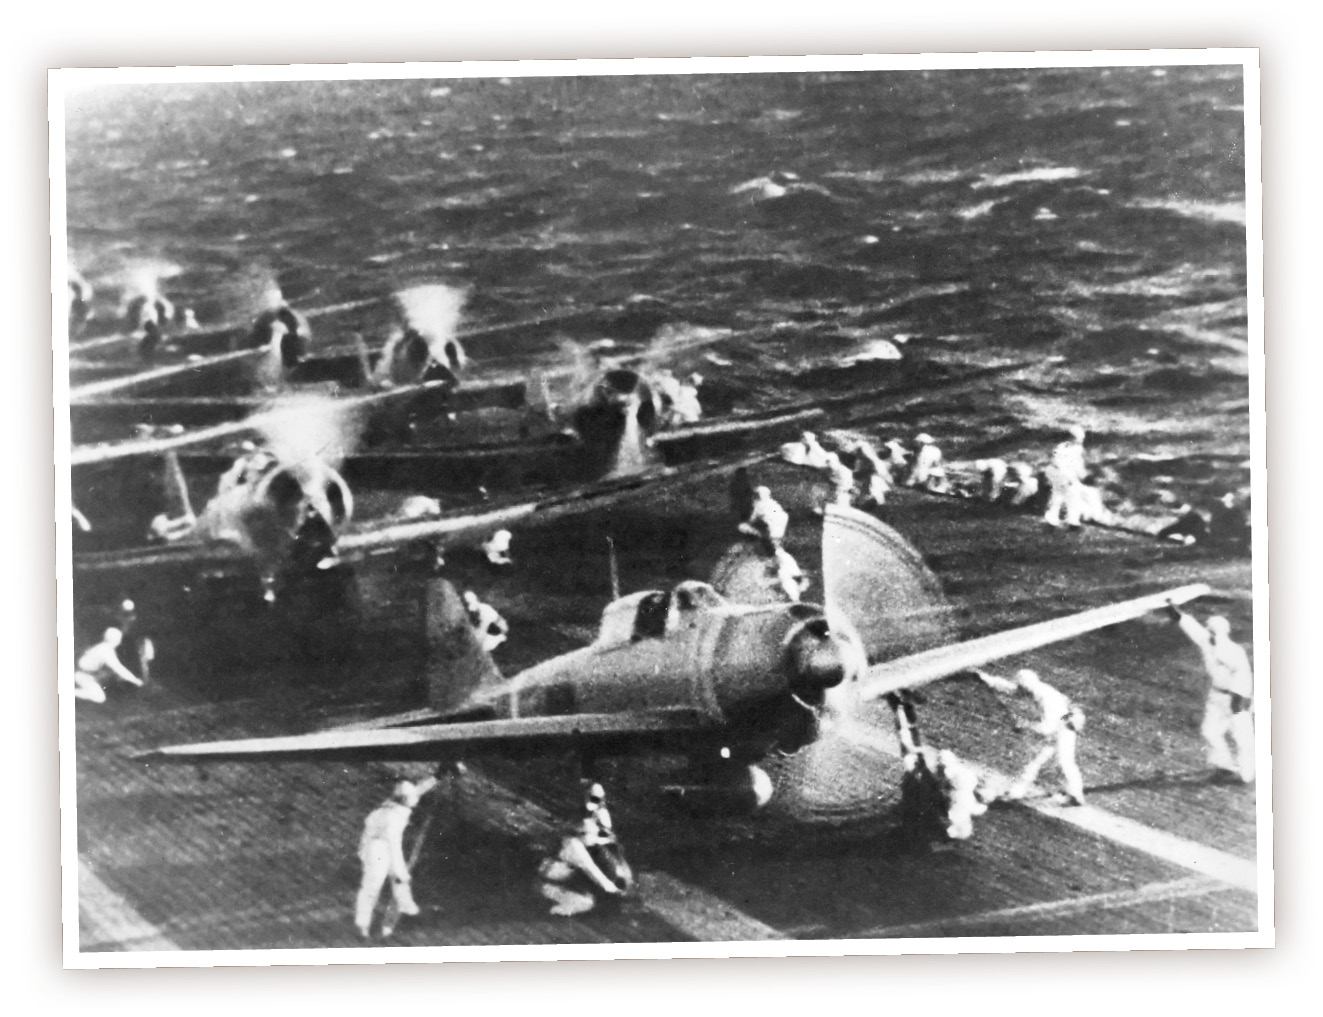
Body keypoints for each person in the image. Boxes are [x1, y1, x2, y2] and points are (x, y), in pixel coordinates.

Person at [1169, 606, 1255, 783]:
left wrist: (1238, 699)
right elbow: (1192, 627)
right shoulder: (1206, 642)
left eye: (1216, 633)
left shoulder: (1234, 651)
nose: (1213, 635)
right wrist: (1175, 612)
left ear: (1224, 633)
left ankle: (1247, 773)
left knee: (1242, 736)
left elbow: (1243, 674)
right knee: (1209, 731)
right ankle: (1224, 766)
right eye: (1211, 631)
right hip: (1216, 696)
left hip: (1236, 698)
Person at [977, 668, 1086, 805]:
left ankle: (1075, 795)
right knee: (1032, 760)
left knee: (1063, 761)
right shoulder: (1029, 689)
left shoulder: (1046, 698)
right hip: (1054, 725)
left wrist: (1024, 724)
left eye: (1023, 690)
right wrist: (982, 677)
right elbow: (1007, 687)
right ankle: (1015, 792)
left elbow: (1047, 728)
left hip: (1064, 728)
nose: (1020, 692)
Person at [355, 777, 437, 940]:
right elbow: (394, 846)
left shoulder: (397, 802)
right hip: (377, 849)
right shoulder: (393, 817)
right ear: (405, 799)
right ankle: (363, 926)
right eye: (411, 799)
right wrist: (400, 872)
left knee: (399, 883)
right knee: (374, 884)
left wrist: (437, 777)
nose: (415, 801)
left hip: (378, 845)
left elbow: (418, 790)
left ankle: (409, 910)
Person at [536, 817, 629, 917]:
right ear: (582, 833)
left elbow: (593, 840)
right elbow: (591, 868)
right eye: (594, 834)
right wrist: (611, 887)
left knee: (587, 895)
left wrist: (606, 840)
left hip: (556, 882)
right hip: (547, 887)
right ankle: (552, 914)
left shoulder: (571, 840)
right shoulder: (575, 848)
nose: (595, 838)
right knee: (586, 902)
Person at [74, 628, 144, 703]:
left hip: (84, 674)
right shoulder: (106, 650)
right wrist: (136, 681)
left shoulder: (103, 647)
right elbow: (119, 669)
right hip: (82, 676)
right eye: (119, 639)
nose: (119, 642)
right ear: (116, 640)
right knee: (100, 697)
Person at [936, 749, 987, 840]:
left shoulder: (950, 771)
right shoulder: (957, 815)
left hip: (963, 790)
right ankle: (945, 756)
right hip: (963, 790)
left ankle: (945, 756)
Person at [1043, 425, 1088, 528]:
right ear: (1071, 437)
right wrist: (1068, 478)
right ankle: (1057, 520)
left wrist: (1083, 475)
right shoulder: (1061, 448)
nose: (1080, 441)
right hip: (1057, 473)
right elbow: (1057, 463)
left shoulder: (1078, 449)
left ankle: (1071, 520)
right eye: (1077, 439)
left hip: (1067, 474)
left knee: (1069, 495)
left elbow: (1078, 464)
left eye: (1081, 439)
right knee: (1061, 495)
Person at [738, 485, 789, 553]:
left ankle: (757, 542)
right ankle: (773, 543)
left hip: (770, 531)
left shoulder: (759, 505)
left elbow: (751, 520)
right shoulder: (774, 504)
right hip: (780, 529)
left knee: (742, 527)